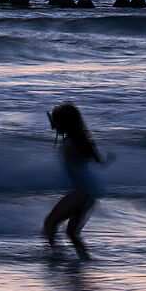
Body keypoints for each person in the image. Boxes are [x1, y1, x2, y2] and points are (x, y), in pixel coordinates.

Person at [41, 103, 107, 259]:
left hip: (82, 191)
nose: (54, 125)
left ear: (66, 123)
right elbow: (96, 160)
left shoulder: (71, 143)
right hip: (92, 191)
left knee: (50, 224)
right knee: (72, 233)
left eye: (57, 121)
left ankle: (57, 260)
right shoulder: (82, 140)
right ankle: (85, 260)